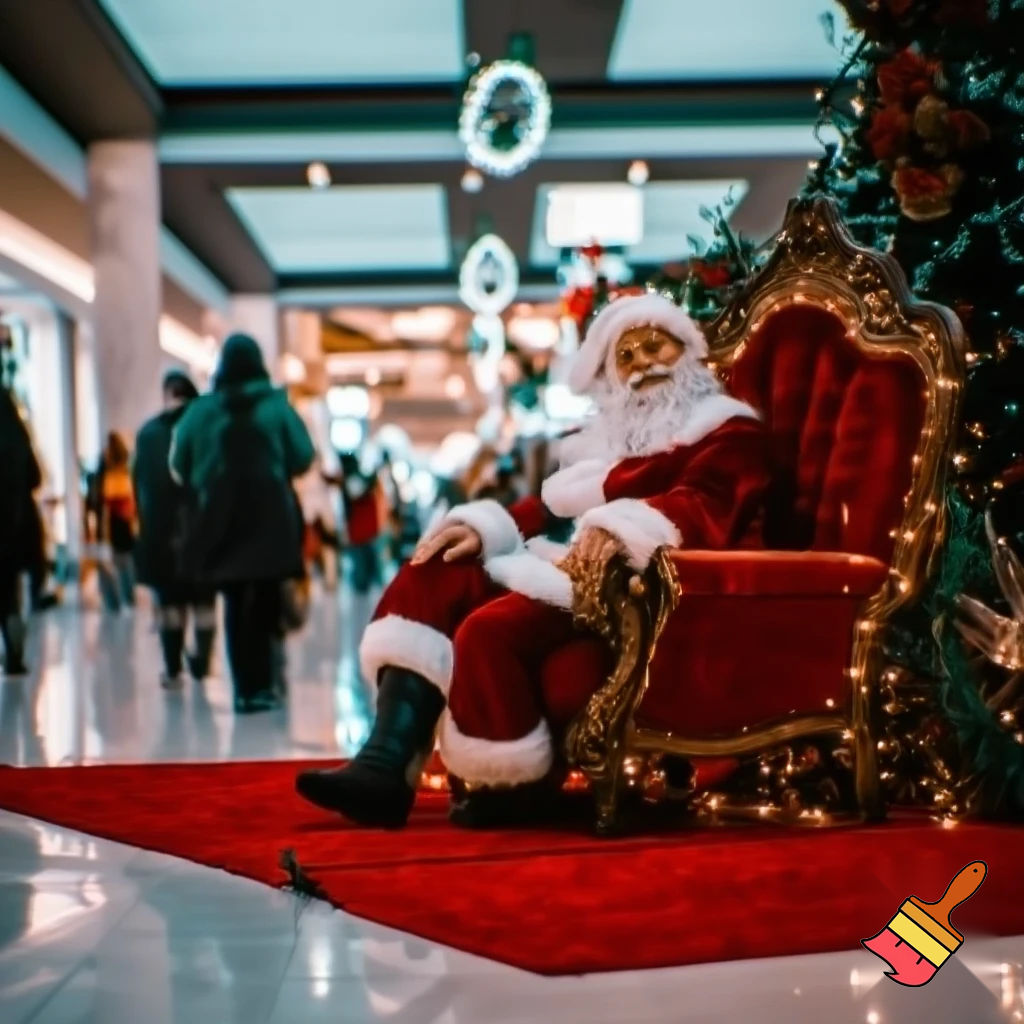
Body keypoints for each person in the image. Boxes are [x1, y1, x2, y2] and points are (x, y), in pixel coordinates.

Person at [296, 294, 773, 828]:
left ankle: (513, 785)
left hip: (642, 587)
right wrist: (483, 529)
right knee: (439, 565)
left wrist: (621, 528)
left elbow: (703, 506)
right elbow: (545, 508)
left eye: (654, 345)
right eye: (627, 355)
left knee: (487, 629)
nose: (643, 363)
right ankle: (386, 763)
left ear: (687, 352)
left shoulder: (728, 432)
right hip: (569, 570)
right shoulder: (606, 448)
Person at [170, 334, 314, 713]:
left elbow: (179, 464)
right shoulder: (277, 406)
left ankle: (243, 689)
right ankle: (265, 684)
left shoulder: (201, 411)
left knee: (233, 601)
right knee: (266, 596)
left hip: (222, 517)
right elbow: (303, 456)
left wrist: (207, 480)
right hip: (270, 516)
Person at [134, 371, 217, 689]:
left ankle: (172, 669)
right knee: (204, 602)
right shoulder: (206, 429)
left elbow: (139, 486)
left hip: (160, 532)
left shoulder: (147, 434)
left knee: (169, 602)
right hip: (202, 529)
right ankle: (202, 663)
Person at [0, 386, 41, 675]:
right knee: (10, 596)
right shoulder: (16, 436)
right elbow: (35, 477)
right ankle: (15, 657)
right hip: (14, 527)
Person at [97, 431, 137, 611]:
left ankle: (117, 600)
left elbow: (104, 502)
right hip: (126, 519)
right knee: (126, 559)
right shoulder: (126, 468)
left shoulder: (107, 470)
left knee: (116, 559)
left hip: (113, 519)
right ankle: (129, 596)